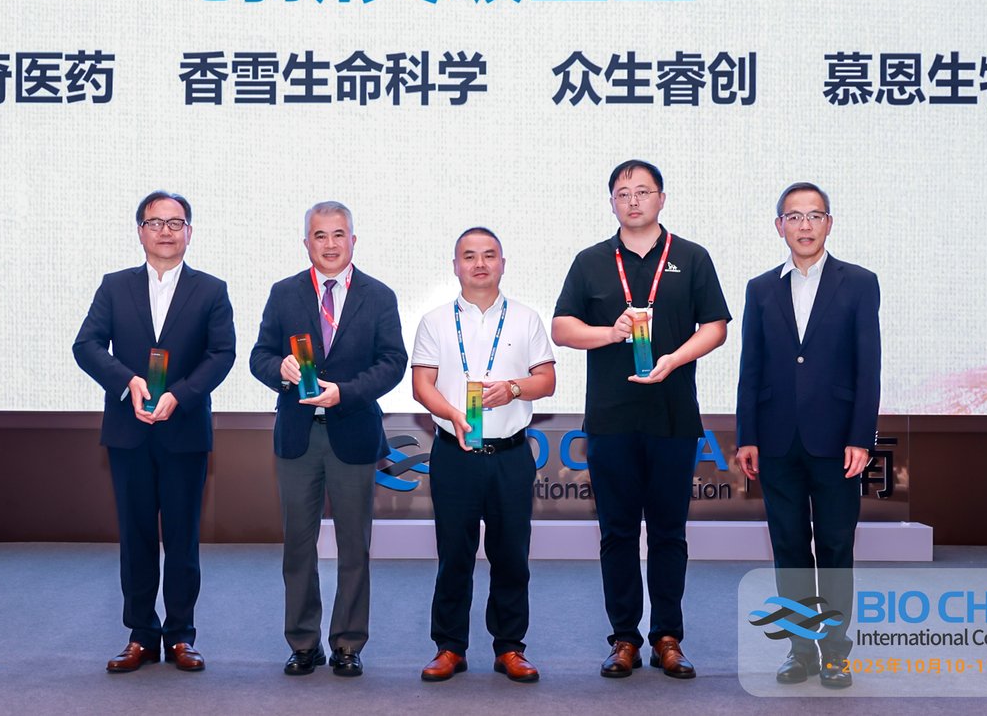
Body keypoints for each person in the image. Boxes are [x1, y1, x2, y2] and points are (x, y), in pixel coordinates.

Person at [551, 160, 731, 679]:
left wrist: (674, 359)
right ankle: (624, 638)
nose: (633, 201)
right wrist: (611, 333)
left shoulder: (691, 257)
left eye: (643, 191)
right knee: (618, 532)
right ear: (612, 202)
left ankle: (668, 637)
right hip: (611, 419)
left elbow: (716, 326)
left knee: (670, 532)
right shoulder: (591, 261)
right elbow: (562, 328)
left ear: (661, 199)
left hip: (673, 417)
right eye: (623, 193)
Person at [73, 190, 237, 673]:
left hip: (184, 430)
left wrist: (179, 395)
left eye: (175, 222)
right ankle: (141, 635)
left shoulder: (211, 290)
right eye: (155, 222)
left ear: (190, 232)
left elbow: (222, 354)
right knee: (136, 537)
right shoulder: (114, 286)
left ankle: (181, 635)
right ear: (140, 231)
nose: (165, 231)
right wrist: (128, 382)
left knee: (183, 539)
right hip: (129, 431)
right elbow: (86, 345)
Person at [248, 201, 408, 677]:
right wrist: (278, 369)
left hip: (352, 432)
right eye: (320, 235)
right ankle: (303, 643)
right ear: (307, 243)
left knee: (354, 546)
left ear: (353, 240)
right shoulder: (284, 294)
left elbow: (393, 362)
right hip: (297, 438)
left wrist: (346, 393)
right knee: (298, 546)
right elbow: (259, 356)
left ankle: (347, 643)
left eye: (339, 234)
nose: (331, 244)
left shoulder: (379, 296)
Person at [734, 182, 880, 690]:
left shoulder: (859, 283)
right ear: (780, 226)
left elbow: (868, 367)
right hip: (776, 442)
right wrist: (747, 435)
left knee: (836, 546)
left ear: (828, 223)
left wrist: (862, 436)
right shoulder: (760, 289)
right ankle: (800, 651)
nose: (804, 225)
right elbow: (750, 367)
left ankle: (836, 653)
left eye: (814, 215)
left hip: (838, 442)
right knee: (789, 547)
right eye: (793, 217)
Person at [410, 227, 556, 685]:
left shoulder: (526, 319)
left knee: (511, 555)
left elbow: (547, 381)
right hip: (454, 454)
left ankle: (510, 647)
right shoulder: (434, 321)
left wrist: (512, 388)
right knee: (454, 555)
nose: (479, 264)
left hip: (509, 455)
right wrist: (452, 413)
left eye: (489, 255)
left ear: (502, 264)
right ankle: (449, 647)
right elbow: (421, 385)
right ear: (455, 266)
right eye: (469, 256)